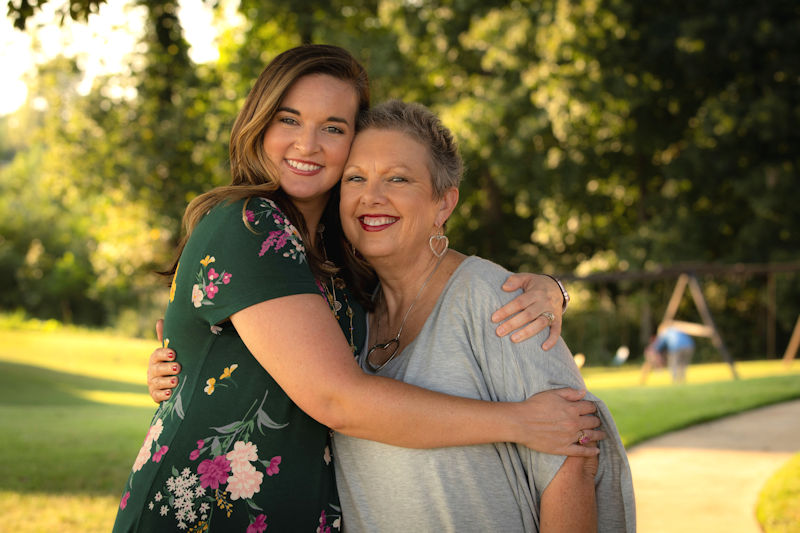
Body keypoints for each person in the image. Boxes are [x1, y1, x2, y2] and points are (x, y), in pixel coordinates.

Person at [114, 44, 602, 532]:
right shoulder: (249, 223)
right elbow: (337, 399)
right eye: (289, 119)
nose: (308, 144)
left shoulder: (338, 250)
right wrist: (519, 422)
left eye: (333, 127)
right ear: (259, 124)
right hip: (206, 514)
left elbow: (423, 246)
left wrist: (550, 288)